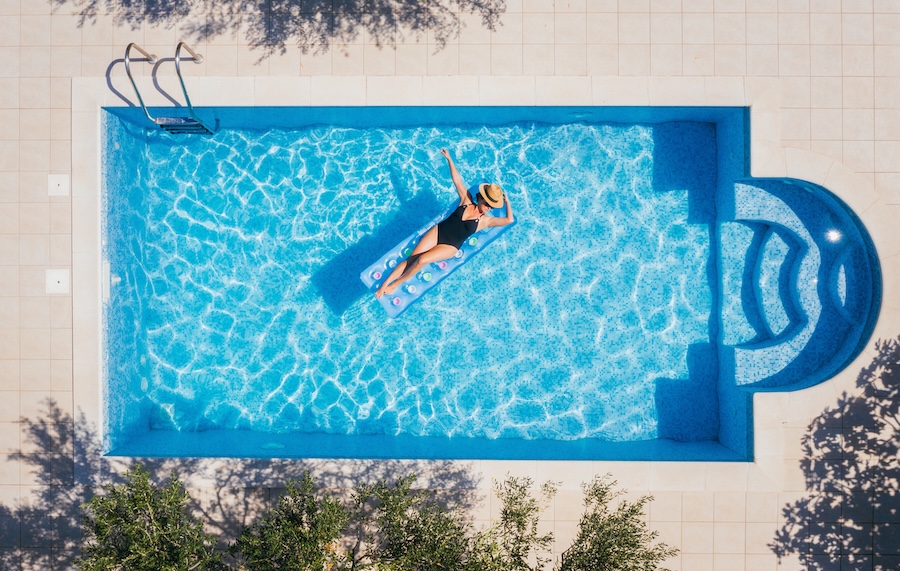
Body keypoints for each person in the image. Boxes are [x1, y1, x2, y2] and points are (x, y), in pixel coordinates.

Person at [375, 148, 515, 299]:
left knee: (422, 260)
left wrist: (507, 202)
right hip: (439, 231)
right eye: (487, 204)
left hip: (450, 246)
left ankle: (395, 284)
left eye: (491, 206)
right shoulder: (466, 200)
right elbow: (457, 180)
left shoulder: (485, 221)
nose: (488, 208)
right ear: (481, 198)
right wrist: (449, 159)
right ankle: (384, 285)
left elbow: (509, 220)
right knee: (412, 259)